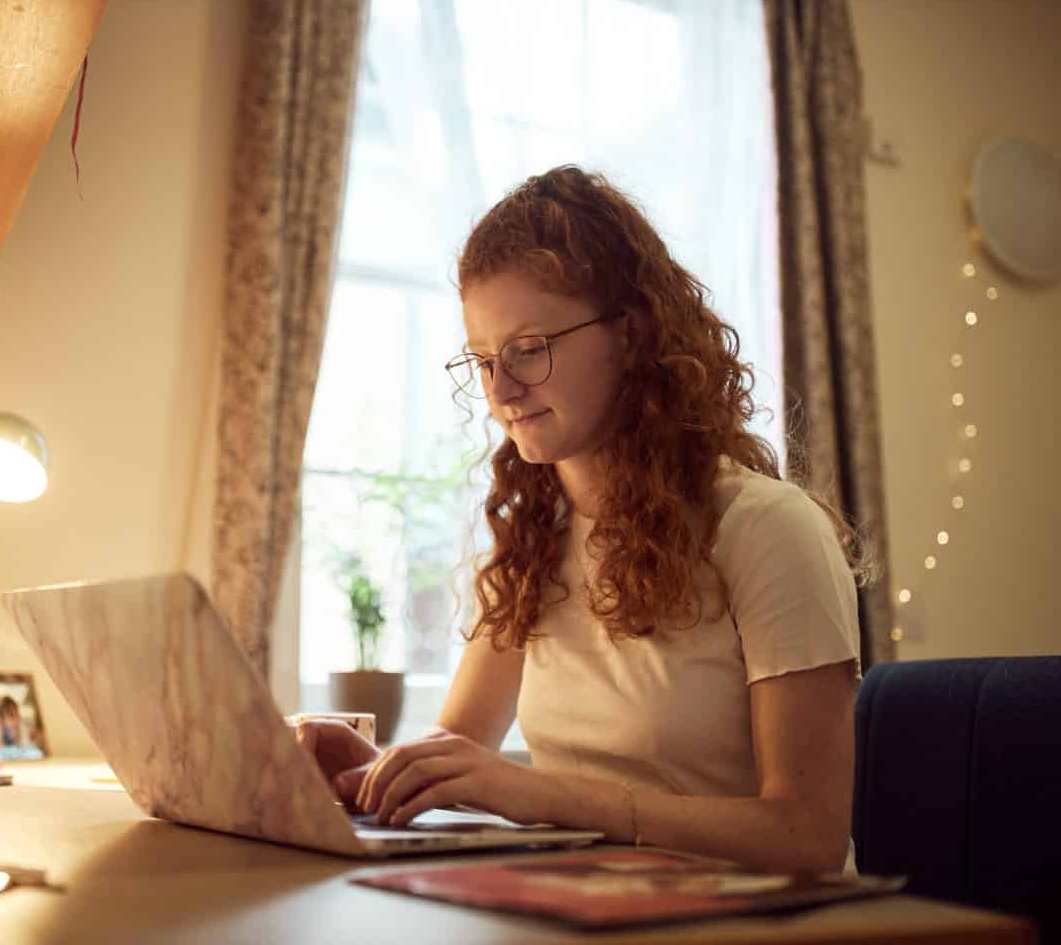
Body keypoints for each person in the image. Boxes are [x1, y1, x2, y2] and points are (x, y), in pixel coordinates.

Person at [296, 165, 865, 874]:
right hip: (591, 908)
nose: (500, 391)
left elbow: (805, 836)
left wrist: (551, 797)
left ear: (631, 335)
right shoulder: (536, 543)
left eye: (528, 349)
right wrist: (373, 772)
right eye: (482, 360)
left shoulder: (767, 530)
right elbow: (460, 757)